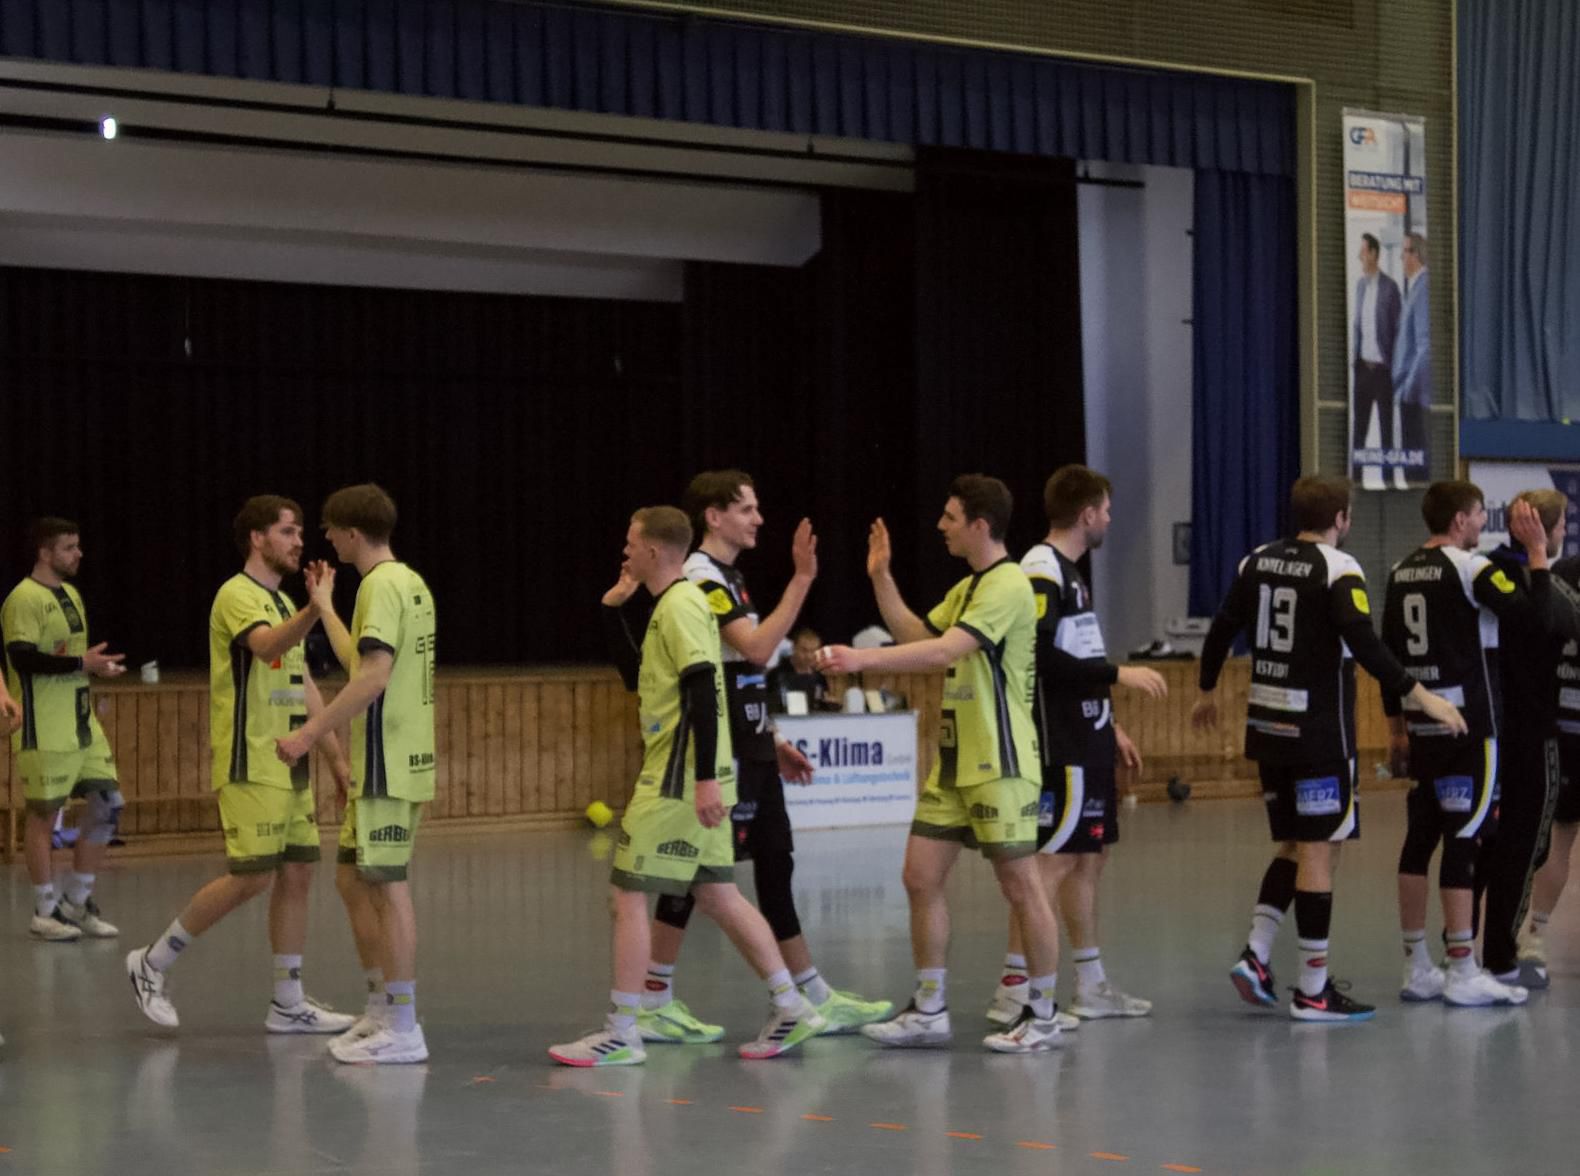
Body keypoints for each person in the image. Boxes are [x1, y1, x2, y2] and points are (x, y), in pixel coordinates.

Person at [550, 506, 827, 1066]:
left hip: (677, 778)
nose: (625, 552)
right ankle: (791, 1004)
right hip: (696, 773)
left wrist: (702, 782)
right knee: (717, 894)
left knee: (627, 893)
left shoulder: (680, 605)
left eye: (631, 543)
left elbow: (704, 690)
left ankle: (622, 1032)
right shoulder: (672, 606)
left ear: (654, 550)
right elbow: (637, 678)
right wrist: (611, 609)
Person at [1193, 476, 1467, 1022]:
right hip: (1318, 733)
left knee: (1298, 844)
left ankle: (1257, 953)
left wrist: (1206, 690)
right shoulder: (1339, 569)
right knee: (1321, 850)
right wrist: (1422, 696)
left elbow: (1223, 627)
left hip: (1267, 726)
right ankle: (1313, 990)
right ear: (1341, 518)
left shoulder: (1256, 561)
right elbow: (1364, 643)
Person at [632, 472, 888, 1045]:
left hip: (751, 745)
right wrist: (802, 579)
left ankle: (811, 992)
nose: (759, 519)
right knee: (695, 875)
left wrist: (770, 739)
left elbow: (740, 677)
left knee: (773, 864)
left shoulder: (731, 577)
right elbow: (756, 647)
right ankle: (658, 998)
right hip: (721, 756)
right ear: (713, 516)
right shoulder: (700, 577)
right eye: (747, 509)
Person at [817, 475, 1066, 1053]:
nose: (940, 526)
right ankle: (929, 1008)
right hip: (955, 764)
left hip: (1001, 760)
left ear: (980, 525)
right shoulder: (969, 587)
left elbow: (946, 651)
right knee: (919, 876)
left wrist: (861, 658)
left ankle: (1044, 1014)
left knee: (1021, 886)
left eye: (951, 517)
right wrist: (881, 577)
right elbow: (918, 634)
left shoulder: (1009, 584)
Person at [125, 496, 359, 1035]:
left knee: (298, 872)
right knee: (251, 876)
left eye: (300, 532)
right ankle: (151, 962)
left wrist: (336, 760)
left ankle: (287, 1002)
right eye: (287, 531)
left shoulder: (282, 603)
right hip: (250, 760)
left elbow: (303, 684)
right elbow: (266, 646)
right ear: (257, 538)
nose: (299, 542)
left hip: (290, 761)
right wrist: (317, 608)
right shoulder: (237, 595)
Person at [987, 467, 1166, 1028]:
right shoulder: (1041, 569)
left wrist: (1110, 725)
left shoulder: (1070, 574)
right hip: (1060, 743)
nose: (1110, 519)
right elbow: (1037, 656)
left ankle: (1090, 985)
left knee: (1090, 856)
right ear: (1087, 513)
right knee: (1052, 862)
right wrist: (1119, 674)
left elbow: (1076, 654)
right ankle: (1016, 987)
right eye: (1106, 510)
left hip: (1087, 734)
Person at [276, 483, 437, 1065]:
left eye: (328, 529)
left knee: (389, 888)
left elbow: (373, 678)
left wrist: (309, 734)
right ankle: (380, 1006)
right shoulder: (404, 581)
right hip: (384, 764)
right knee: (351, 879)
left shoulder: (381, 585)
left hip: (390, 762)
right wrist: (324, 607)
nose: (324, 538)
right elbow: (360, 660)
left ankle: (405, 1024)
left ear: (349, 532)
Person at [1382, 482, 1554, 1008]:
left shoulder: (1400, 571)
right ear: (1460, 519)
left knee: (1419, 840)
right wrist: (1538, 555)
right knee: (1466, 838)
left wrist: (1395, 729)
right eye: (1480, 514)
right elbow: (1535, 621)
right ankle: (1462, 968)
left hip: (1422, 723)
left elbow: (1389, 656)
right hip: (1471, 725)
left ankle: (1416, 965)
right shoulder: (1470, 568)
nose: (1484, 523)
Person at [2, 518, 127, 943]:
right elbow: (22, 658)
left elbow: (69, 656)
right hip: (45, 725)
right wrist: (79, 663)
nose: (78, 554)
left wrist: (94, 668)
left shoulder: (71, 595)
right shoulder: (24, 598)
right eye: (69, 547)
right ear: (45, 552)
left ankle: (77, 901)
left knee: (108, 803)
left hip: (81, 722)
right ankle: (44, 911)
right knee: (43, 814)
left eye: (78, 546)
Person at [1478, 489, 1580, 986]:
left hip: (1528, 725)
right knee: (1534, 843)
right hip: (1544, 728)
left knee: (1541, 839)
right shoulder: (1546, 582)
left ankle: (1516, 941)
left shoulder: (1514, 574)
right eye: (1559, 525)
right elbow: (1547, 625)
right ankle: (1513, 947)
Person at [1518, 550, 1580, 984]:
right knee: (1560, 839)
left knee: (1561, 837)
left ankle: (1534, 941)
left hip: (1564, 725)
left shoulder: (1560, 574)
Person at [1351, 233, 1403, 481]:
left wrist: (1396, 367)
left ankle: (1388, 481)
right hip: (1363, 368)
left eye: (1363, 251)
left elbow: (1398, 330)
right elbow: (1358, 325)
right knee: (1359, 430)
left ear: (1373, 254)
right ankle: (1355, 481)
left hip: (1383, 370)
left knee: (1386, 431)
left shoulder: (1390, 288)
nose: (1359, 256)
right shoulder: (1360, 286)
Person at [1391, 233, 1431, 488]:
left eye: (1404, 251)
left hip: (1414, 398)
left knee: (1415, 474)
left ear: (1415, 254)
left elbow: (1425, 346)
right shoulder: (1414, 288)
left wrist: (1407, 391)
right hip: (1407, 395)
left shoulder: (1424, 288)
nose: (1400, 257)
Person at [768, 626, 833, 713]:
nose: (809, 656)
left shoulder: (819, 676)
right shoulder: (776, 675)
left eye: (813, 650)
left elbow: (821, 704)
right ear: (794, 648)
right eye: (804, 650)